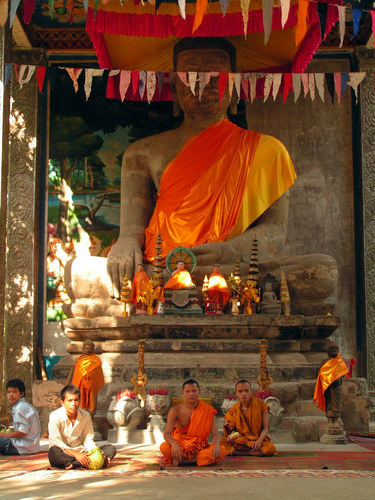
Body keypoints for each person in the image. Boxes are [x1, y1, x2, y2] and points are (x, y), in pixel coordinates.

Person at [66, 37, 337, 317]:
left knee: (322, 271)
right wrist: (124, 244)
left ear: (233, 86)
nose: (202, 83)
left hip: (227, 267)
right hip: (159, 267)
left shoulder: (267, 151)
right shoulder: (142, 153)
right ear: (173, 86)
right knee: (78, 273)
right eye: (191, 74)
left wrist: (227, 251)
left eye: (215, 76)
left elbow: (275, 232)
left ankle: (166, 297)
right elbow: (133, 228)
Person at [48, 384, 116, 469]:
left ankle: (75, 464)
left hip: (81, 451)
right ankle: (82, 462)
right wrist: (76, 455)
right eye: (70, 401)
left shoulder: (85, 415)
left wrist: (95, 451)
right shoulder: (54, 416)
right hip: (64, 452)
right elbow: (56, 441)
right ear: (62, 402)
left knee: (110, 449)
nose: (73, 404)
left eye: (76, 400)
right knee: (53, 451)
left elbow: (88, 439)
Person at [160, 379, 226, 466]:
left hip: (200, 447)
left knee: (222, 450)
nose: (191, 394)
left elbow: (215, 434)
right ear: (183, 393)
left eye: (194, 391)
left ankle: (186, 461)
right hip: (181, 446)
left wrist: (216, 445)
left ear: (199, 392)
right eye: (188, 391)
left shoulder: (208, 411)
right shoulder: (175, 410)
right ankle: (197, 461)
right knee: (164, 447)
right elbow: (167, 434)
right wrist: (174, 445)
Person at [221, 380, 276, 456]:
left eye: (246, 391)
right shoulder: (234, 409)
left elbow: (265, 428)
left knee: (270, 448)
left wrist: (259, 442)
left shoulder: (262, 406)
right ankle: (251, 452)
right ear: (236, 393)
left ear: (251, 392)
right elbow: (232, 429)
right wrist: (232, 436)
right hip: (241, 440)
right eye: (240, 391)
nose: (243, 394)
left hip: (256, 440)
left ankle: (240, 452)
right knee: (220, 441)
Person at [0, 379, 40, 456]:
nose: (11, 395)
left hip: (22, 447)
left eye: (14, 392)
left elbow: (23, 431)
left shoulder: (20, 408)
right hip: (31, 447)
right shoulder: (23, 406)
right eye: (9, 392)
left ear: (21, 394)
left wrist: (4, 435)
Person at [313, 343, 349, 425]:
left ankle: (336, 421)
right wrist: (328, 380)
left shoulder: (340, 362)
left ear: (338, 351)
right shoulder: (325, 362)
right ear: (328, 352)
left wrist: (340, 381)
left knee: (337, 403)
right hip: (328, 386)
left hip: (337, 386)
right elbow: (321, 373)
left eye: (335, 351)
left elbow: (344, 373)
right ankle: (329, 421)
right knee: (329, 403)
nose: (333, 352)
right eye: (332, 351)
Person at [71, 339, 105, 415]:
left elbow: (97, 373)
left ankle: (91, 418)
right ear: (83, 349)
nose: (88, 350)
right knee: (81, 400)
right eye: (86, 348)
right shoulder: (80, 360)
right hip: (81, 385)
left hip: (92, 385)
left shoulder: (96, 360)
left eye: (90, 348)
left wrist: (90, 376)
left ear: (93, 349)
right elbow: (77, 374)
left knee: (92, 403)